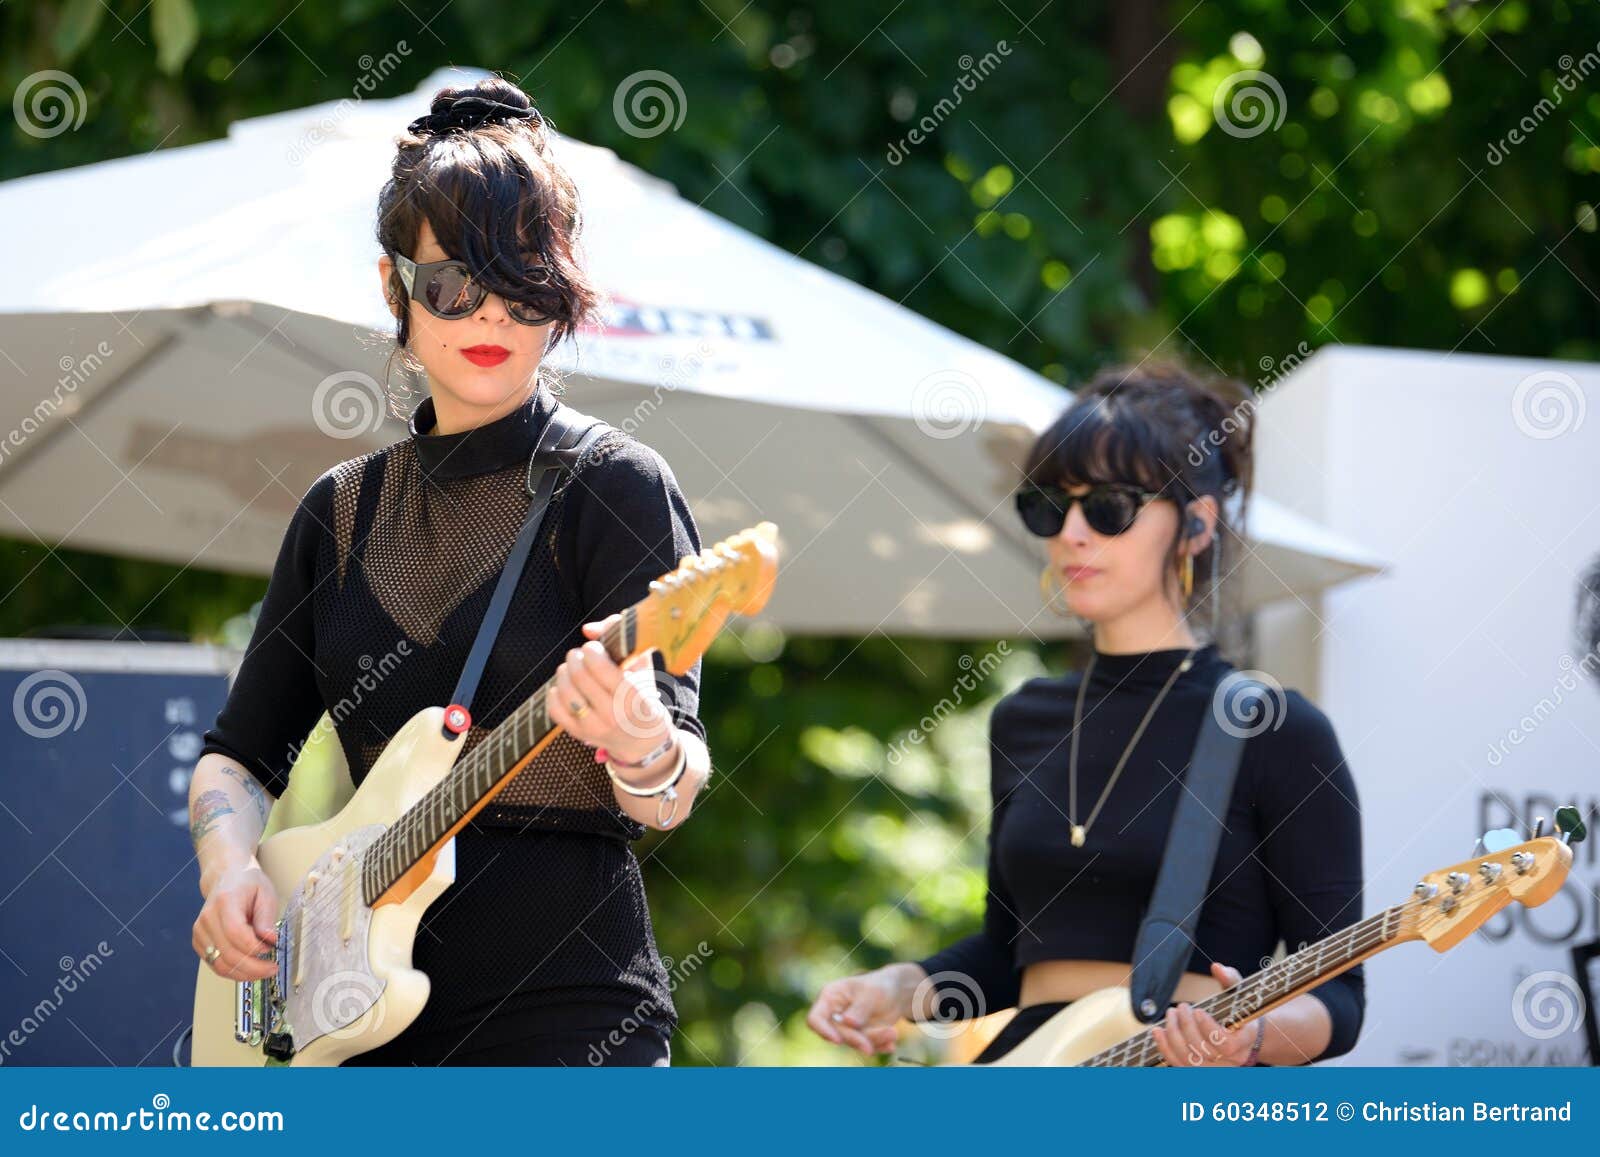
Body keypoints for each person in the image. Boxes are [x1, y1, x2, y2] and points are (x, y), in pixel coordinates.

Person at [187, 76, 711, 1066]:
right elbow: (236, 756)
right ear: (392, 288)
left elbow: (672, 787)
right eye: (450, 284)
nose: (490, 315)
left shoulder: (614, 483)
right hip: (345, 1029)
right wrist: (226, 866)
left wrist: (640, 746)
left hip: (569, 1024)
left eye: (524, 285)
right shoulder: (338, 513)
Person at [806, 361, 1365, 1066]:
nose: (1072, 530)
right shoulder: (1023, 718)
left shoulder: (1275, 727)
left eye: (1109, 506)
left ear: (1196, 524)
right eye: (1050, 504)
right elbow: (1009, 954)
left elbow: (1341, 995)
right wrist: (898, 986)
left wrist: (1252, 1035)